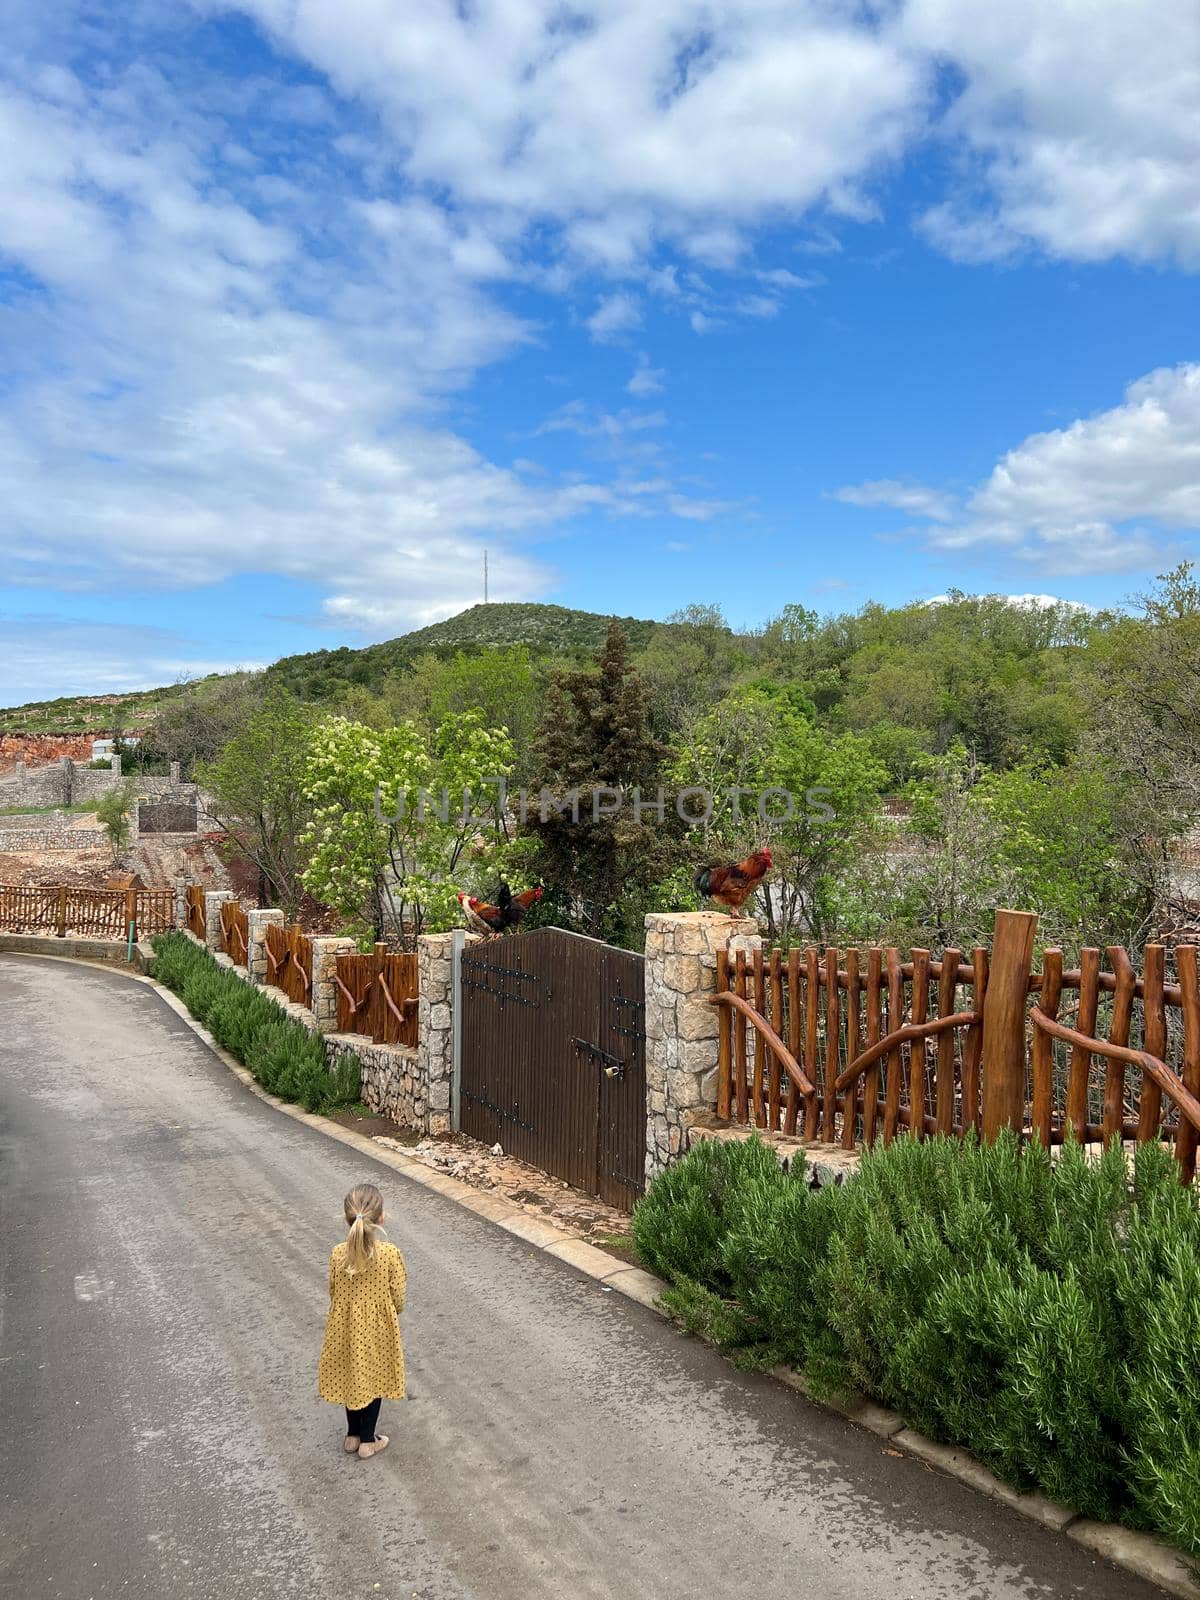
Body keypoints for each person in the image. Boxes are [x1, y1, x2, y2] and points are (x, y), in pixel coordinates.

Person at [317, 1182, 406, 1459]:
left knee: (351, 1375)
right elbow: (399, 1295)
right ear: (381, 1218)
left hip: (344, 1328)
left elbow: (333, 1291)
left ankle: (352, 1435)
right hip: (377, 1329)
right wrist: (392, 1311)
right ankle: (368, 1440)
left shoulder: (337, 1254)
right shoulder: (389, 1254)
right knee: (374, 1378)